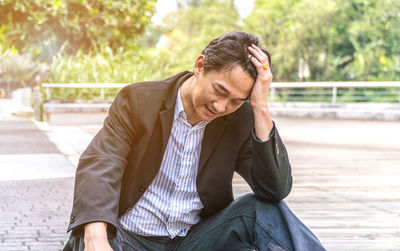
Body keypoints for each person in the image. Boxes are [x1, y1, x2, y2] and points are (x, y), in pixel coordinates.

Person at [64, 32, 325, 251]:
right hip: (126, 239)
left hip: (192, 242)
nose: (221, 106)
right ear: (200, 66)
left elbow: (274, 190)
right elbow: (101, 163)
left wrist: (260, 107)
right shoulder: (138, 101)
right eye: (220, 90)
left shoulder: (240, 118)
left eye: (236, 101)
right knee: (90, 229)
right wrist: (95, 238)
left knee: (261, 210)